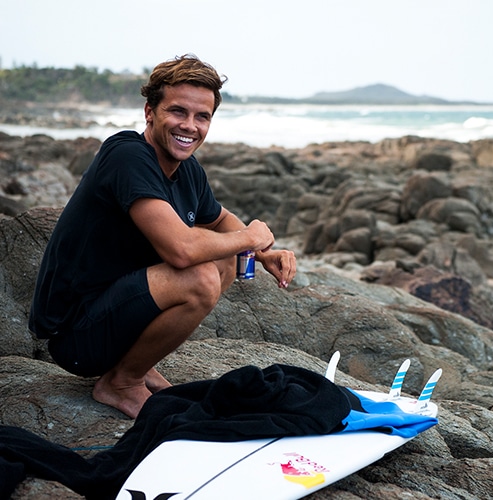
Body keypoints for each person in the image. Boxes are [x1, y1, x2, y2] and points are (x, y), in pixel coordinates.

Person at [28, 54, 296, 419]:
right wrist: (250, 237)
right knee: (199, 276)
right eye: (178, 112)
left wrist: (263, 252)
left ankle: (135, 362)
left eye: (202, 117)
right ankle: (121, 382)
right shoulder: (127, 156)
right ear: (149, 112)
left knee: (222, 258)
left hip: (114, 314)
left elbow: (219, 219)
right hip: (75, 333)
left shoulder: (187, 170)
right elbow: (182, 251)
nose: (190, 126)